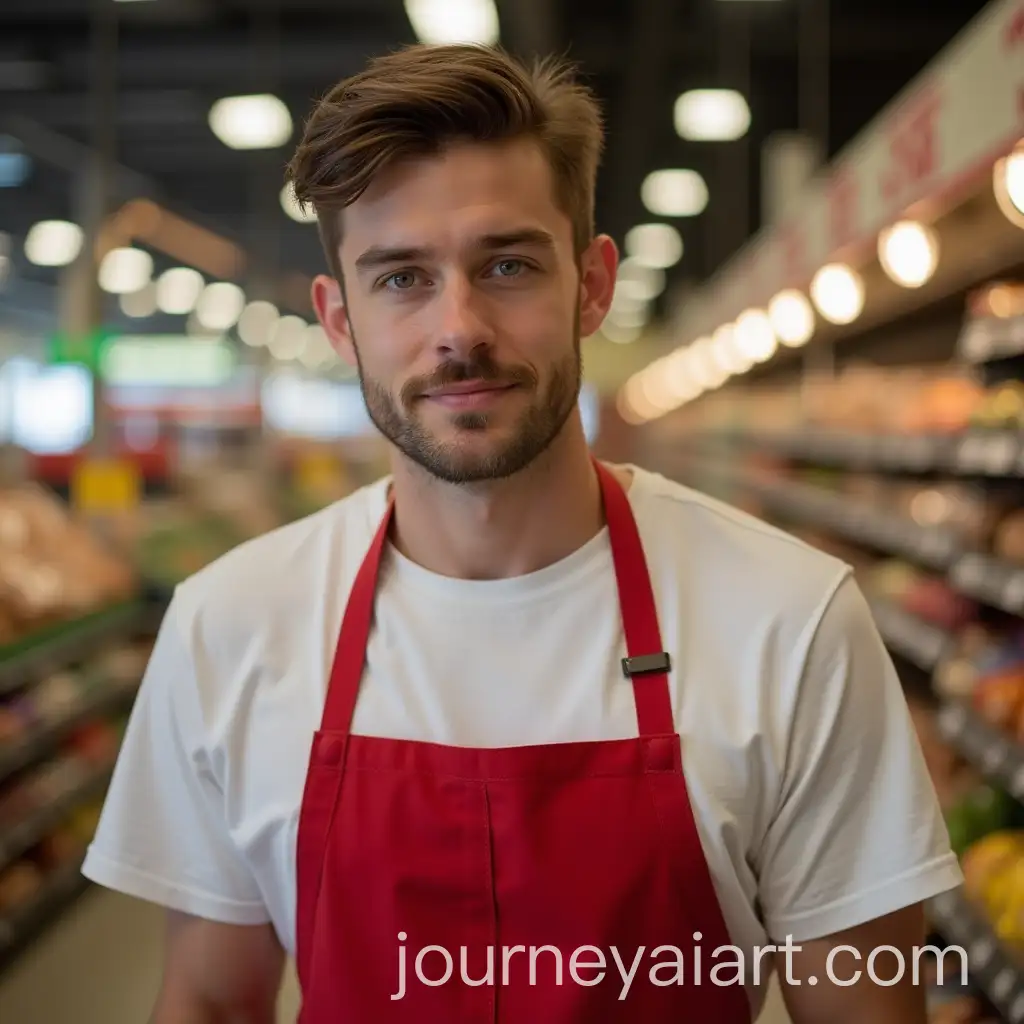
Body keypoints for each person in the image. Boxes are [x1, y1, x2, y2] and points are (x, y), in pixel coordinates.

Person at [82, 43, 962, 1023]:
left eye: (506, 264)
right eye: (401, 278)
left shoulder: (790, 621)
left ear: (591, 284)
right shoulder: (230, 625)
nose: (458, 327)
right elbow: (209, 1003)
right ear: (339, 320)